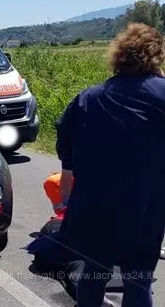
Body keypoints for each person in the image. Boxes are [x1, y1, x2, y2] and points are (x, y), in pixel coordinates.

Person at [54, 23, 165, 306]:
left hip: (95, 208)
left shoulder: (89, 98)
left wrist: (67, 183)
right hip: (145, 209)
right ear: (157, 56)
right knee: (139, 282)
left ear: (119, 56)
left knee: (93, 273)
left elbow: (66, 144)